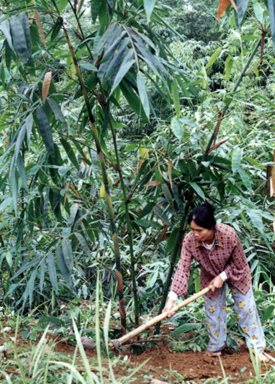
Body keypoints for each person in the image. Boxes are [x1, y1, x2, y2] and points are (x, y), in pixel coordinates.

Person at [163, 202, 269, 362]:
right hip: (209, 275)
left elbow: (240, 264)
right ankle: (215, 348)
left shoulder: (229, 235)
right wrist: (171, 300)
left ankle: (256, 348)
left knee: (246, 309)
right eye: (192, 229)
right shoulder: (189, 241)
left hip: (237, 273)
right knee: (213, 312)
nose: (195, 234)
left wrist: (223, 276)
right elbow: (182, 270)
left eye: (199, 230)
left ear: (212, 226)